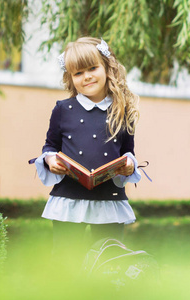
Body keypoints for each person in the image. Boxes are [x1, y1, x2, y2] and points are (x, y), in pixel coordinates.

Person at [32, 37, 141, 270]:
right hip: (68, 199)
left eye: (92, 68)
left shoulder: (123, 110)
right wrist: (51, 160)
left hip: (108, 199)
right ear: (70, 77)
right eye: (78, 73)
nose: (87, 76)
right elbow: (49, 146)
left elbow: (128, 151)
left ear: (106, 67)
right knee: (65, 260)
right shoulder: (63, 109)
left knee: (110, 260)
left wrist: (129, 165)